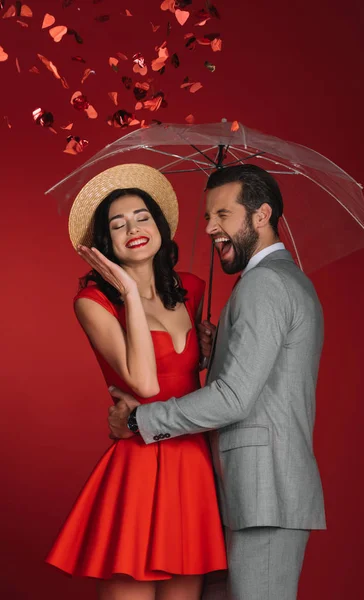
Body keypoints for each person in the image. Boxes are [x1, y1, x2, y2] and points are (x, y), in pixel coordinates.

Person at [107, 164, 326, 600]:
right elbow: (263, 382)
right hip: (252, 494)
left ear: (260, 216)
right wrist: (215, 351)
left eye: (222, 215)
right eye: (208, 216)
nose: (209, 228)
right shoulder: (281, 280)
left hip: (264, 496)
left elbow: (233, 399)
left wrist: (139, 420)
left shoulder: (264, 284)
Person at [46, 164, 227, 600]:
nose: (134, 228)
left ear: (160, 224)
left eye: (143, 216)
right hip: (140, 464)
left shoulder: (193, 288)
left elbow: (190, 376)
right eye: (118, 224)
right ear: (106, 242)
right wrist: (128, 291)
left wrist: (209, 349)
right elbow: (145, 385)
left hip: (193, 463)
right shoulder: (93, 303)